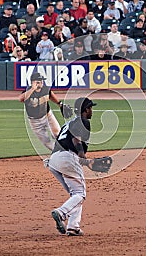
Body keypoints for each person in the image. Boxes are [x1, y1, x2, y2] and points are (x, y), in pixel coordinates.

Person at [48, 97, 96, 236]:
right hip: (68, 158)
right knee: (80, 194)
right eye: (90, 108)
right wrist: (81, 152)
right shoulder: (84, 121)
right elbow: (76, 138)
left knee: (75, 194)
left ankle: (73, 227)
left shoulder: (68, 123)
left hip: (54, 160)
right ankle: (61, 213)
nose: (91, 111)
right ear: (86, 109)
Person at [19, 72, 63, 151]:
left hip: (48, 116)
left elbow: (50, 95)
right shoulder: (28, 91)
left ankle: (68, 150)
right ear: (33, 82)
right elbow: (21, 99)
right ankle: (58, 152)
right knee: (46, 142)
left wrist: (59, 104)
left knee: (58, 134)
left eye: (42, 80)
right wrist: (32, 89)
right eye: (39, 81)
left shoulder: (45, 89)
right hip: (35, 121)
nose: (42, 82)